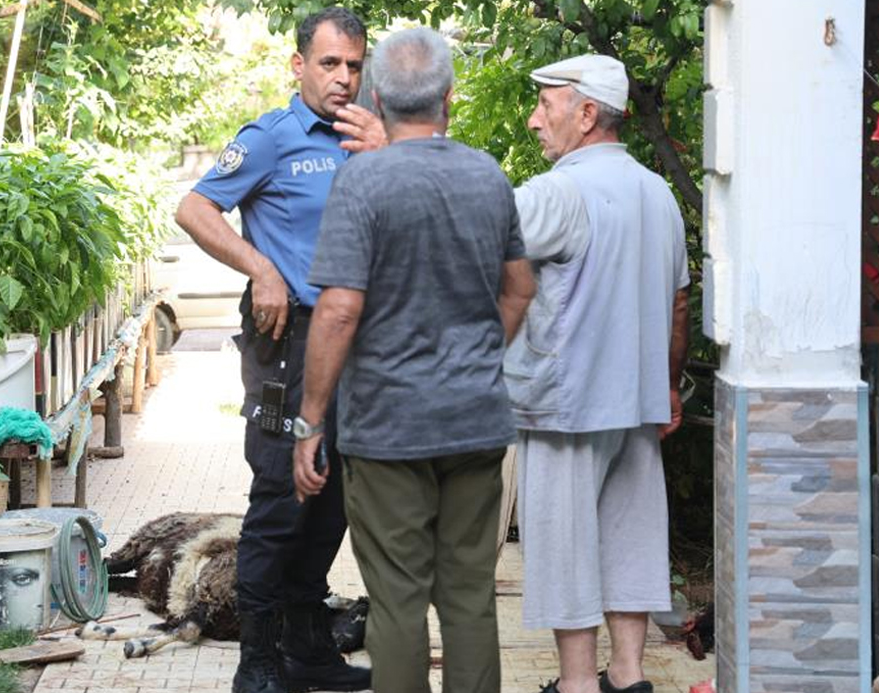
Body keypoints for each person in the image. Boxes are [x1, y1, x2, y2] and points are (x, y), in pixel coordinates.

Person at [292, 26, 537, 693]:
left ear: (376, 95)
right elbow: (520, 286)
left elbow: (339, 310)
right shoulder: (487, 174)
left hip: (388, 425)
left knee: (397, 599)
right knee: (467, 595)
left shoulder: (363, 181)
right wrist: (482, 351)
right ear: (448, 97)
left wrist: (310, 419)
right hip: (475, 420)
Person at [173, 7, 376, 693]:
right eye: (329, 64)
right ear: (298, 66)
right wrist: (260, 268)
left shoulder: (373, 136)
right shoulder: (273, 138)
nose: (344, 79)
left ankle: (308, 648)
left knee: (336, 497)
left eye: (354, 65)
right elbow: (196, 209)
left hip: (358, 343)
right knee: (284, 495)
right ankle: (257, 660)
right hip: (288, 341)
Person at [506, 54, 690, 693]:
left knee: (563, 549)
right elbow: (678, 302)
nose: (535, 120)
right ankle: (629, 677)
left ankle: (579, 684)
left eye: (546, 105)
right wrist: (667, 386)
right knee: (630, 541)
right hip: (637, 405)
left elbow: (480, 253)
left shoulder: (557, 191)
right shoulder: (658, 193)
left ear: (587, 114)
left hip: (565, 406)